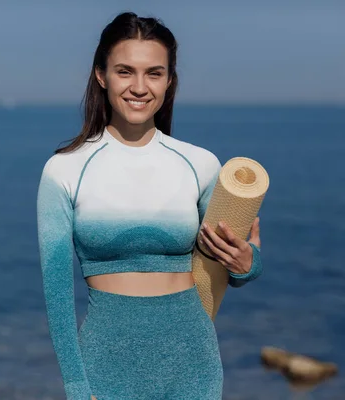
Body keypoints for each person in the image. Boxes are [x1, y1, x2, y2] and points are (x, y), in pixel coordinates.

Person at [36, 11, 263, 400]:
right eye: (125, 71)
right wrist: (76, 386)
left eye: (154, 73)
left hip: (194, 366)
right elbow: (56, 293)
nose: (139, 87)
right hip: (106, 369)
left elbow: (227, 267)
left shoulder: (201, 165)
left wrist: (249, 264)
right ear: (101, 76)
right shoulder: (64, 170)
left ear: (169, 81)